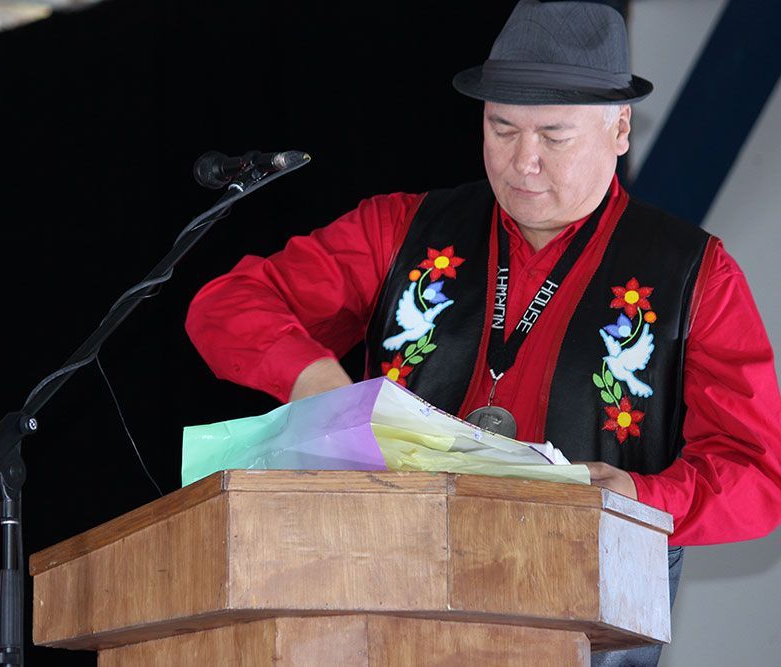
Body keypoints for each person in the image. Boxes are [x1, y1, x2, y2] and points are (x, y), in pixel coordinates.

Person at [185, 1, 781, 665]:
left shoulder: (693, 273)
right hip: (384, 599)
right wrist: (316, 382)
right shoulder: (404, 229)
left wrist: (639, 494)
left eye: (554, 137)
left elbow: (757, 477)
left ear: (620, 129)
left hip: (575, 616)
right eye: (501, 128)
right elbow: (224, 305)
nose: (524, 161)